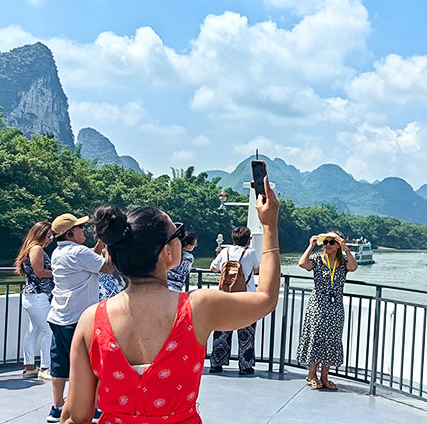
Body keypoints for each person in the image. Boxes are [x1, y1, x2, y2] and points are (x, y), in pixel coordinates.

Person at [59, 177, 280, 424]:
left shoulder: (91, 320)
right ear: (166, 252)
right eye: (177, 233)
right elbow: (266, 299)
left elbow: (75, 416)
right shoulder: (197, 308)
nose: (181, 239)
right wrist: (269, 226)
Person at [46, 213, 114, 423]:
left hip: (58, 316)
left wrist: (100, 242)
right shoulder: (78, 252)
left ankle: (57, 407)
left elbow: (90, 261)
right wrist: (108, 247)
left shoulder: (59, 252)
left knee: (59, 364)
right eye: (80, 228)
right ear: (70, 232)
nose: (83, 231)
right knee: (88, 365)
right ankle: (91, 407)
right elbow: (107, 268)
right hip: (80, 319)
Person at [296, 231, 359, 390]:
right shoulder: (318, 260)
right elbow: (302, 263)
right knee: (317, 338)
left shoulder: (343, 262)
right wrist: (311, 246)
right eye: (326, 242)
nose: (328, 245)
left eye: (332, 242)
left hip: (335, 307)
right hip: (318, 305)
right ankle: (312, 373)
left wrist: (346, 248)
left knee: (332, 340)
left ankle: (325, 376)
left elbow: (354, 267)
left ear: (338, 245)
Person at [208, 227, 261, 375]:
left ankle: (216, 363)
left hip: (225, 297)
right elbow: (257, 270)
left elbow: (213, 267)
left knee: (223, 330)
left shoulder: (225, 252)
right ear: (248, 239)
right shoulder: (250, 252)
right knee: (247, 333)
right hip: (246, 298)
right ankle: (245, 365)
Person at [15, 221, 55, 380]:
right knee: (49, 331)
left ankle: (30, 367)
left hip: (31, 296)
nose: (51, 239)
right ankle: (45, 368)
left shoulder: (31, 248)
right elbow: (39, 272)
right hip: (39, 296)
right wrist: (58, 272)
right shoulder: (37, 249)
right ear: (41, 234)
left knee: (33, 332)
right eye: (49, 235)